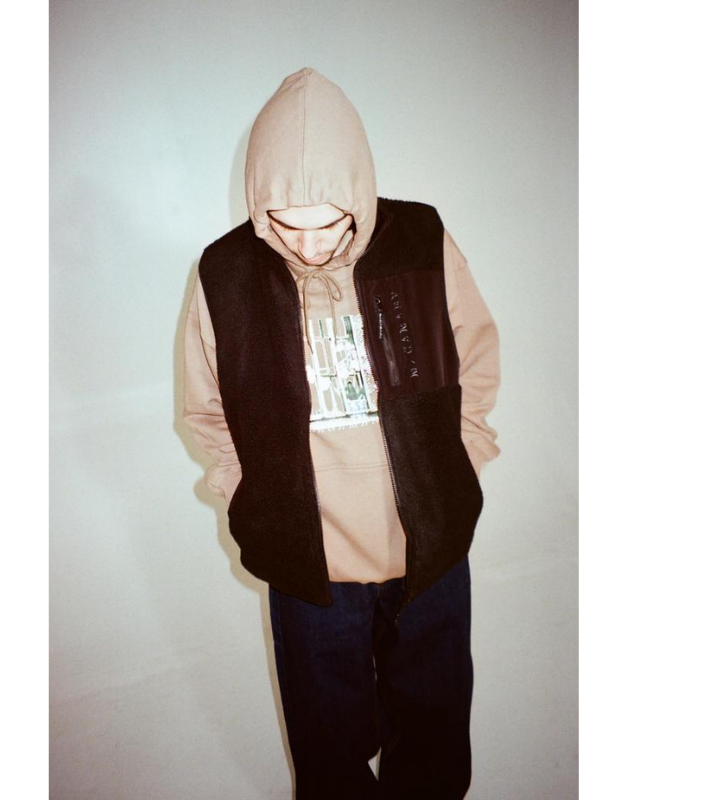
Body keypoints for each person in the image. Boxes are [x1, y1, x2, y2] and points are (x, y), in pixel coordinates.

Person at [182, 67, 500, 800]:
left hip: (428, 547)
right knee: (329, 759)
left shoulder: (419, 238)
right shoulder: (226, 273)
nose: (310, 246)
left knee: (434, 742)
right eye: (288, 225)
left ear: (361, 194)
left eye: (330, 224)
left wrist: (462, 464)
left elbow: (476, 356)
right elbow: (207, 410)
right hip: (309, 567)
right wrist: (250, 501)